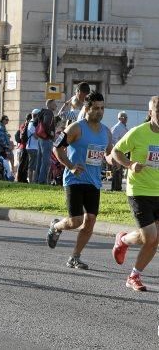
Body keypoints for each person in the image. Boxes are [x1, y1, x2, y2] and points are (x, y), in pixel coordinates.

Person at [47, 92, 112, 269]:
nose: (100, 112)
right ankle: (56, 226)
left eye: (102, 108)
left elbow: (108, 154)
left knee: (90, 220)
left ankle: (75, 257)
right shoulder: (76, 128)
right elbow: (57, 148)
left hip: (93, 182)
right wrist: (70, 166)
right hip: (74, 180)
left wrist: (115, 161)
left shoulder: (106, 132)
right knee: (75, 221)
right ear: (87, 108)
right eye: (96, 108)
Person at [111, 96, 159, 292]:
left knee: (154, 238)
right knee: (150, 237)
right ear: (150, 113)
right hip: (139, 191)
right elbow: (116, 151)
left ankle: (123, 241)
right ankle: (133, 275)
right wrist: (130, 164)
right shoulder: (138, 133)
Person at [35, 100, 58, 184]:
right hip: (46, 139)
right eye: (55, 104)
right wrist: (51, 134)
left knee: (39, 160)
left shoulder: (42, 112)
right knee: (46, 161)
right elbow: (46, 124)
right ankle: (42, 181)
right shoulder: (49, 113)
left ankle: (37, 179)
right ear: (50, 105)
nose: (56, 106)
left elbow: (35, 123)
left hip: (41, 138)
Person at [110, 111, 129, 191]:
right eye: (124, 117)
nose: (126, 119)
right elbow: (113, 140)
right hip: (117, 151)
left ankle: (116, 187)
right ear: (120, 118)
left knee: (119, 170)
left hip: (122, 152)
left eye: (126, 117)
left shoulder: (123, 127)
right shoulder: (117, 127)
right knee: (117, 170)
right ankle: (116, 188)